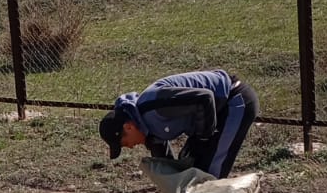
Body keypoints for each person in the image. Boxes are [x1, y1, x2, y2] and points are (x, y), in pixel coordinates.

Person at [98, 70, 259, 178]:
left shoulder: (154, 105)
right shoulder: (148, 132)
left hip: (234, 99)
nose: (130, 147)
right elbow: (169, 168)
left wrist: (202, 140)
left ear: (128, 127)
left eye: (125, 143)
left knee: (211, 173)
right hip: (212, 114)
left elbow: (205, 99)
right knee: (194, 168)